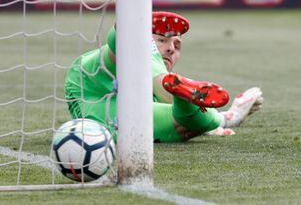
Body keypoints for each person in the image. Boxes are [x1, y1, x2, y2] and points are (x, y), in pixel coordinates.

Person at [64, 11, 263, 142]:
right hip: (90, 87)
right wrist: (127, 22)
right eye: (162, 40)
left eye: (177, 46)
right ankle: (216, 116)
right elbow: (117, 48)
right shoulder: (124, 53)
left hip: (125, 106)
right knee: (134, 53)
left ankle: (219, 115)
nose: (170, 48)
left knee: (184, 123)